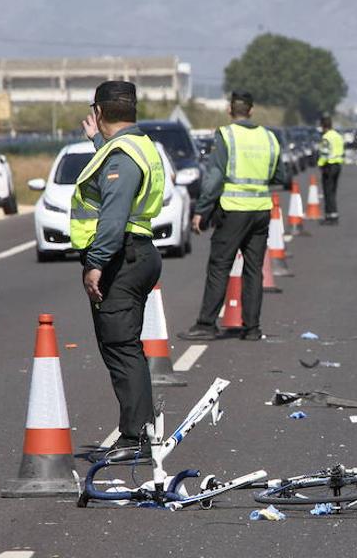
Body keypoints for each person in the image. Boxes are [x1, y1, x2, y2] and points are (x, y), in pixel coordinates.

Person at [74, 81, 165, 461]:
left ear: (98, 111)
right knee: (127, 348)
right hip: (138, 252)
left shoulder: (123, 154)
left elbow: (112, 216)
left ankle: (135, 438)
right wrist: (98, 142)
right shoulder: (135, 145)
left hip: (121, 258)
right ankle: (141, 430)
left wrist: (95, 263)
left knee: (120, 348)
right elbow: (116, 175)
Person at [178, 91, 285, 342]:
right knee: (253, 270)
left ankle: (206, 324)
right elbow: (280, 175)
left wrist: (202, 210)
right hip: (260, 210)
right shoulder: (269, 137)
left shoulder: (226, 135)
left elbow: (214, 177)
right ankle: (252, 328)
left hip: (234, 210)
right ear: (251, 110)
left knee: (219, 266)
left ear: (230, 110)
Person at [318, 116, 345, 225]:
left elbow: (324, 153)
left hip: (329, 165)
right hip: (338, 165)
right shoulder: (338, 136)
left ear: (323, 126)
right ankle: (333, 214)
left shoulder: (326, 137)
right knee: (333, 191)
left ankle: (331, 216)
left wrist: (320, 164)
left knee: (328, 192)